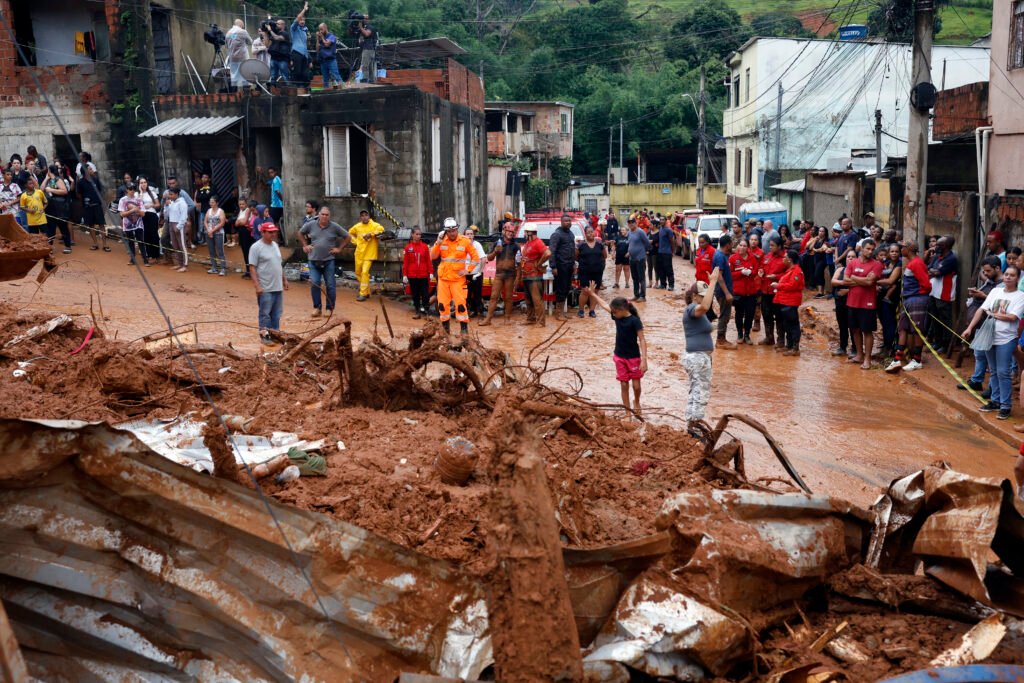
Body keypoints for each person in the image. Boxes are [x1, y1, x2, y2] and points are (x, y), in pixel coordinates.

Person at [963, 265, 1024, 421]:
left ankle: (1005, 405)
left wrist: (993, 314)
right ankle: (996, 401)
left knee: (1003, 372)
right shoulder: (996, 292)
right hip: (989, 336)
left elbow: (1012, 317)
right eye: (1006, 274)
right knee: (994, 371)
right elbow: (981, 310)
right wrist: (970, 328)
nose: (1008, 277)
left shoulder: (1020, 296)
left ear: (1018, 278)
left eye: (1012, 275)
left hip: (1007, 338)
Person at [587, 285, 647, 417]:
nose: (612, 314)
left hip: (634, 357)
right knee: (624, 385)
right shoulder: (617, 316)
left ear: (622, 310)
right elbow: (604, 305)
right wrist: (593, 294)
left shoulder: (635, 321)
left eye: (614, 312)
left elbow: (642, 340)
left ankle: (636, 402)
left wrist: (644, 360)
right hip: (619, 356)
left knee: (636, 386)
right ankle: (627, 412)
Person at [681, 269, 719, 433]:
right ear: (694, 296)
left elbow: (707, 321)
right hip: (696, 357)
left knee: (697, 391)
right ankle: (694, 427)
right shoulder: (692, 309)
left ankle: (692, 424)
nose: (705, 298)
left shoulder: (699, 313)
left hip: (701, 357)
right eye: (702, 296)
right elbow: (704, 306)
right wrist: (713, 282)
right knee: (700, 393)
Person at [886, 241, 932, 373]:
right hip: (908, 299)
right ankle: (897, 359)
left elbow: (926, 285)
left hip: (916, 299)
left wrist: (918, 295)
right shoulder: (912, 263)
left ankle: (917, 360)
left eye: (902, 247)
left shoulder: (917, 263)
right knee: (903, 328)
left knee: (917, 330)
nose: (901, 250)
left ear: (909, 249)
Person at [960, 257, 1002, 393]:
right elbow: (982, 308)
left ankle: (993, 388)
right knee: (979, 353)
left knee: (993, 361)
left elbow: (998, 305)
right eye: (984, 271)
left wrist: (982, 296)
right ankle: (976, 380)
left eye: (988, 271)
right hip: (982, 324)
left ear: (997, 268)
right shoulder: (990, 282)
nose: (985, 274)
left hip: (992, 325)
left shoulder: (1002, 286)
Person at [430, 217, 477, 336]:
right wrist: (438, 242)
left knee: (461, 305)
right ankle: (446, 331)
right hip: (443, 279)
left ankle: (464, 330)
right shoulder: (441, 241)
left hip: (458, 279)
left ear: (457, 229)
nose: (452, 233)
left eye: (454, 230)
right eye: (449, 231)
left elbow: (475, 257)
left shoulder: (465, 241)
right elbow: (433, 256)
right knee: (442, 305)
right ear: (446, 231)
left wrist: (467, 270)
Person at [299, 205, 349, 317]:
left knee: (330, 285)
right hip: (313, 260)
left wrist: (339, 249)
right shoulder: (311, 224)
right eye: (323, 214)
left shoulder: (334, 227)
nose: (324, 216)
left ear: (329, 216)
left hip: (328, 261)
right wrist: (305, 245)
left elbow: (347, 237)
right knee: (315, 283)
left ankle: (329, 308)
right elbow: (300, 233)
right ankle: (317, 308)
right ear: (319, 214)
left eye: (327, 215)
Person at [843, 238, 883, 369]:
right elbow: (845, 280)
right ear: (861, 249)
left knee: (867, 331)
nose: (870, 251)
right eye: (868, 249)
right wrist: (863, 279)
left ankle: (867, 359)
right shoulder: (852, 262)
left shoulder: (877, 264)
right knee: (855, 329)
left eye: (872, 249)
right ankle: (859, 355)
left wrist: (854, 277)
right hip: (852, 302)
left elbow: (870, 282)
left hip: (868, 303)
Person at [248, 222, 288, 344]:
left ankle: (275, 334)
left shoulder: (275, 245)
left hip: (277, 286)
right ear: (263, 232)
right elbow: (252, 268)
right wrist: (257, 286)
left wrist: (284, 279)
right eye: (270, 232)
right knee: (265, 313)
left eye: (274, 232)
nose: (273, 234)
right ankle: (265, 335)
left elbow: (278, 264)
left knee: (277, 313)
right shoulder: (256, 247)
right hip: (265, 287)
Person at [480, 221, 520, 325]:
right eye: (508, 231)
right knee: (494, 296)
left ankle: (507, 319)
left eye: (512, 232)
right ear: (504, 231)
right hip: (499, 274)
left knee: (508, 297)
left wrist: (518, 278)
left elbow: (519, 263)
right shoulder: (498, 243)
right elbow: (489, 258)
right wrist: (495, 252)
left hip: (510, 275)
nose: (510, 233)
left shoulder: (516, 246)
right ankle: (488, 319)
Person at [927, 236, 959, 354]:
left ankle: (946, 344)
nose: (936, 246)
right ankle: (937, 341)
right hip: (934, 292)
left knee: (945, 320)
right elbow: (929, 269)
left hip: (944, 293)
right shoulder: (937, 256)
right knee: (935, 318)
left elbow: (937, 273)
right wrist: (933, 271)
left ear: (946, 246)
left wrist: (933, 271)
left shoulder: (951, 259)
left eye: (939, 245)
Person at [772, 249, 805, 356]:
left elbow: (792, 286)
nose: (783, 259)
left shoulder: (797, 271)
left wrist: (778, 286)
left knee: (792, 324)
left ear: (789, 260)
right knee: (787, 324)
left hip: (791, 301)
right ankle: (789, 345)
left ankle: (795, 348)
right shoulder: (790, 270)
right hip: (784, 300)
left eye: (785, 257)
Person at [348, 209, 385, 301]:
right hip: (359, 253)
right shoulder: (357, 226)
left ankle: (363, 294)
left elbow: (381, 230)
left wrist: (371, 234)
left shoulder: (374, 225)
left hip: (369, 254)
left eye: (366, 215)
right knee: (358, 273)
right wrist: (356, 242)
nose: (364, 217)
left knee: (364, 272)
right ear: (360, 217)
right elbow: (349, 233)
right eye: (362, 215)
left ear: (369, 216)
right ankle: (367, 291)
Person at [729, 238, 758, 344]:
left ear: (748, 248)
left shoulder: (752, 258)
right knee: (739, 313)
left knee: (750, 314)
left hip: (751, 292)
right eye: (740, 245)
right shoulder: (733, 258)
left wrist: (751, 272)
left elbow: (756, 271)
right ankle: (740, 334)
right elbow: (730, 275)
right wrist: (741, 273)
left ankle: (747, 335)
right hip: (738, 292)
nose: (742, 247)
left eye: (744, 246)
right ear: (737, 246)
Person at [520, 226, 550, 326]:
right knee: (528, 300)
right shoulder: (528, 243)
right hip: (527, 275)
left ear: (529, 232)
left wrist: (539, 264)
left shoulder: (538, 242)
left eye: (525, 232)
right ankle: (531, 319)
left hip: (535, 276)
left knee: (537, 300)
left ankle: (541, 322)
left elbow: (547, 253)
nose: (524, 234)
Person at [877, 243, 904, 354]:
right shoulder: (886, 263)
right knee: (883, 321)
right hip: (881, 295)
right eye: (892, 251)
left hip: (892, 297)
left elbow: (890, 281)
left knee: (890, 322)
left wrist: (873, 281)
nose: (894, 253)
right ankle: (886, 344)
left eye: (896, 251)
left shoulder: (899, 264)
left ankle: (890, 346)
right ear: (888, 253)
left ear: (900, 253)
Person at [759, 236, 786, 347]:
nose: (770, 247)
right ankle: (769, 338)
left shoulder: (785, 258)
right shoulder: (767, 256)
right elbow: (762, 267)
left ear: (779, 246)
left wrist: (776, 276)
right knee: (766, 315)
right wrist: (761, 271)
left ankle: (780, 340)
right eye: (769, 245)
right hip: (766, 291)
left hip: (777, 292)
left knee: (779, 316)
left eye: (772, 245)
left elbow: (788, 273)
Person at [549, 213, 577, 320]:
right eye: (566, 221)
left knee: (566, 288)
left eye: (569, 221)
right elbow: (552, 251)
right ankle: (558, 313)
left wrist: (574, 264)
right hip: (560, 266)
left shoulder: (571, 234)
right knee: (561, 289)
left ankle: (562, 312)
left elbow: (573, 250)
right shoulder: (557, 234)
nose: (568, 222)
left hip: (569, 265)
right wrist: (553, 266)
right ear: (561, 222)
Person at [403, 227, 433, 318]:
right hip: (412, 275)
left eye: (420, 234)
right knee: (415, 294)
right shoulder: (408, 247)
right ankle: (417, 311)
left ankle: (426, 310)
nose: (418, 236)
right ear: (412, 235)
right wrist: (405, 275)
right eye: (417, 234)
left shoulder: (425, 247)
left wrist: (431, 272)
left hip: (423, 275)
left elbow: (428, 261)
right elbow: (406, 262)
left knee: (425, 294)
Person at [576, 224, 605, 318]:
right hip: (584, 272)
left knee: (595, 291)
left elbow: (604, 256)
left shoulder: (599, 244)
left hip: (597, 271)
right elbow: (576, 256)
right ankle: (581, 310)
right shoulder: (581, 245)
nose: (590, 234)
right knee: (585, 291)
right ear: (585, 234)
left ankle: (592, 311)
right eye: (588, 232)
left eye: (592, 232)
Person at [712, 234, 735, 349]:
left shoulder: (720, 254)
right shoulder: (720, 257)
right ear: (728, 245)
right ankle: (720, 340)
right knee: (724, 315)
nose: (732, 245)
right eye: (731, 243)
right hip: (722, 291)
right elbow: (719, 276)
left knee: (725, 314)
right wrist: (727, 293)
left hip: (722, 290)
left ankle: (722, 338)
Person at [78, 164, 108, 252]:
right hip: (88, 207)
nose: (92, 170)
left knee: (101, 224)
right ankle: (95, 243)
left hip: (97, 205)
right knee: (91, 225)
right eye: (90, 169)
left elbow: (100, 192)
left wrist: (102, 204)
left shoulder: (95, 180)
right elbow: (79, 194)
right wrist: (84, 203)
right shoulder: (80, 182)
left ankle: (105, 244)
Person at [117, 182, 148, 266]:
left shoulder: (138, 200)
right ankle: (132, 259)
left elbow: (143, 214)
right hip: (128, 224)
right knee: (130, 241)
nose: (132, 190)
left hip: (138, 224)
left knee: (141, 241)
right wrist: (132, 210)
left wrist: (137, 210)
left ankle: (145, 259)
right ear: (127, 190)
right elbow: (122, 214)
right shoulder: (122, 200)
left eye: (134, 188)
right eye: (130, 189)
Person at [44, 164, 72, 253]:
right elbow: (41, 189)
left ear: (50, 171)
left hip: (59, 207)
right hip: (50, 207)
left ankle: (68, 246)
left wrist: (51, 190)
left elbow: (64, 191)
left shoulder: (58, 179)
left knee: (63, 226)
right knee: (50, 228)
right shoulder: (49, 180)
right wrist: (46, 179)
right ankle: (49, 247)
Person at [164, 187, 189, 272]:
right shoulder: (171, 202)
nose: (170, 196)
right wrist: (166, 206)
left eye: (171, 194)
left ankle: (185, 265)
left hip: (179, 225)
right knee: (175, 245)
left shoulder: (182, 203)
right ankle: (179, 263)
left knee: (182, 245)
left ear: (176, 194)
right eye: (169, 194)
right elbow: (166, 214)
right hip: (171, 223)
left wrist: (179, 226)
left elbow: (184, 216)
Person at [136, 177, 161, 261]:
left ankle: (156, 255)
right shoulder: (137, 194)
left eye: (145, 182)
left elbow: (158, 204)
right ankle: (149, 254)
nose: (143, 184)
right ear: (138, 184)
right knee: (146, 235)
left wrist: (151, 205)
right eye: (141, 183)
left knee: (153, 234)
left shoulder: (152, 193)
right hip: (142, 215)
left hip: (152, 214)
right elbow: (138, 204)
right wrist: (141, 192)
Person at [626, 218, 650, 302]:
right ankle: (636, 295)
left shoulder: (640, 232)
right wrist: (629, 252)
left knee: (641, 278)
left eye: (632, 222)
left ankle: (643, 296)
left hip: (640, 258)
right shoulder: (629, 232)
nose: (631, 224)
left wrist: (644, 251)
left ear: (636, 223)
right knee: (634, 278)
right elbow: (630, 243)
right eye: (629, 223)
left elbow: (647, 242)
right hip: (632, 258)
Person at [225, 19, 253, 90]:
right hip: (242, 57)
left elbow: (226, 46)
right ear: (240, 24)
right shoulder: (243, 31)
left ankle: (234, 94)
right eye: (243, 26)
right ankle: (246, 93)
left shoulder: (228, 33)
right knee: (245, 75)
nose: (243, 27)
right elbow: (250, 42)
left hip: (232, 58)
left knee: (234, 77)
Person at [464, 226, 486, 317]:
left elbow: (483, 258)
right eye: (468, 234)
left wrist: (480, 272)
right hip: (465, 274)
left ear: (473, 235)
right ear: (464, 235)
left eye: (471, 234)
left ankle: (480, 312)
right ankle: (469, 311)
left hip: (476, 274)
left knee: (477, 294)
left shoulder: (477, 245)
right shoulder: (462, 245)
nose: (469, 236)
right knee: (467, 294)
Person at [204, 195, 227, 275]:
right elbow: (205, 221)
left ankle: (223, 268)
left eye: (213, 202)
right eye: (210, 202)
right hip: (209, 232)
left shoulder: (221, 211)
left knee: (220, 251)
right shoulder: (209, 210)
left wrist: (212, 231)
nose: (211, 204)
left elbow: (222, 223)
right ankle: (214, 267)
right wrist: (208, 230)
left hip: (218, 233)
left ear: (217, 203)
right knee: (211, 251)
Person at [290, 1, 311, 88]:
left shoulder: (304, 31)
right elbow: (298, 17)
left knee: (305, 74)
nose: (302, 21)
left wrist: (308, 39)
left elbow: (307, 46)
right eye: (301, 20)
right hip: (297, 52)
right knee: (297, 72)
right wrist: (304, 9)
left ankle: (304, 88)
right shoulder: (294, 28)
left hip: (304, 54)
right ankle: (296, 88)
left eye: (304, 20)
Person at [316, 23, 342, 87]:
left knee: (336, 76)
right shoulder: (320, 38)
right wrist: (317, 39)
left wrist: (322, 38)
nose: (320, 31)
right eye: (319, 30)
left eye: (321, 29)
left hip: (331, 60)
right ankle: (326, 90)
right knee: (325, 79)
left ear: (325, 28)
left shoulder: (332, 36)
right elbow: (317, 49)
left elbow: (326, 44)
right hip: (323, 60)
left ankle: (343, 88)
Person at [267, 17, 292, 84]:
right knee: (273, 76)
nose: (276, 25)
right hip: (273, 58)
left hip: (282, 59)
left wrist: (270, 30)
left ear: (283, 25)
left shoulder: (285, 34)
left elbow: (277, 38)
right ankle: (273, 89)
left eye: (278, 24)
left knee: (285, 76)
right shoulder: (275, 33)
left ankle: (289, 88)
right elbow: (268, 44)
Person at [357, 13, 379, 83]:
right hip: (369, 49)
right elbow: (361, 40)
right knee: (369, 66)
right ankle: (371, 80)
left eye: (365, 19)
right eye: (363, 19)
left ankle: (365, 78)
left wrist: (361, 27)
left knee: (364, 64)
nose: (364, 20)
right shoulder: (365, 28)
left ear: (368, 20)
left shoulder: (370, 27)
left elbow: (367, 34)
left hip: (368, 49)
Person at [193, 173, 212, 247]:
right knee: (202, 226)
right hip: (202, 210)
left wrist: (203, 198)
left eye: (205, 177)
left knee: (210, 225)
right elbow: (197, 199)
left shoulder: (212, 188)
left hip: (210, 210)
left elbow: (210, 197)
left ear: (209, 179)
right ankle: (203, 240)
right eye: (202, 177)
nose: (203, 179)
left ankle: (210, 240)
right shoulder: (199, 189)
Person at [656, 219, 676, 290]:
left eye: (663, 220)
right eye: (660, 220)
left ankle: (671, 285)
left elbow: (672, 241)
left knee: (668, 269)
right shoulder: (660, 229)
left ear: (666, 221)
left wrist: (672, 251)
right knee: (661, 269)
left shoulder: (669, 230)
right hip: (660, 252)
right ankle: (663, 284)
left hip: (667, 252)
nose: (661, 221)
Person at [611, 222, 630, 290]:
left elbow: (632, 246)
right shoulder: (617, 237)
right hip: (619, 256)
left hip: (626, 256)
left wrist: (629, 253)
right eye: (621, 230)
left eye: (623, 230)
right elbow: (614, 245)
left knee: (626, 270)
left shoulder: (629, 237)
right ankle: (617, 283)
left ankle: (627, 283)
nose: (622, 231)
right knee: (617, 270)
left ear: (627, 231)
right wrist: (613, 253)